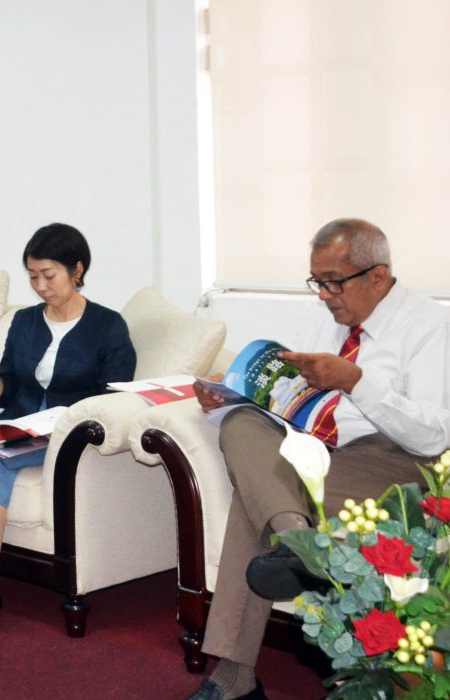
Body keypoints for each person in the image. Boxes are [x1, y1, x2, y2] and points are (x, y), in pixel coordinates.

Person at [184, 219, 450, 700]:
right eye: (317, 282)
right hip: (317, 448)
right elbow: (288, 396)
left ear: (377, 276)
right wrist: (228, 397)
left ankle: (236, 676)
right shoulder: (322, 319)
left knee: (253, 501)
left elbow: (433, 435)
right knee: (242, 423)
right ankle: (299, 541)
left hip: (390, 455)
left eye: (334, 282)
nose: (325, 295)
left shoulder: (430, 326)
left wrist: (356, 382)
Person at [0, 223, 136, 636]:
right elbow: (7, 390)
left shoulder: (107, 326)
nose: (40, 286)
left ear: (77, 270)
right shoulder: (24, 321)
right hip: (18, 426)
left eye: (49, 275)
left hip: (65, 436)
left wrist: (65, 420)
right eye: (32, 276)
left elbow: (114, 396)